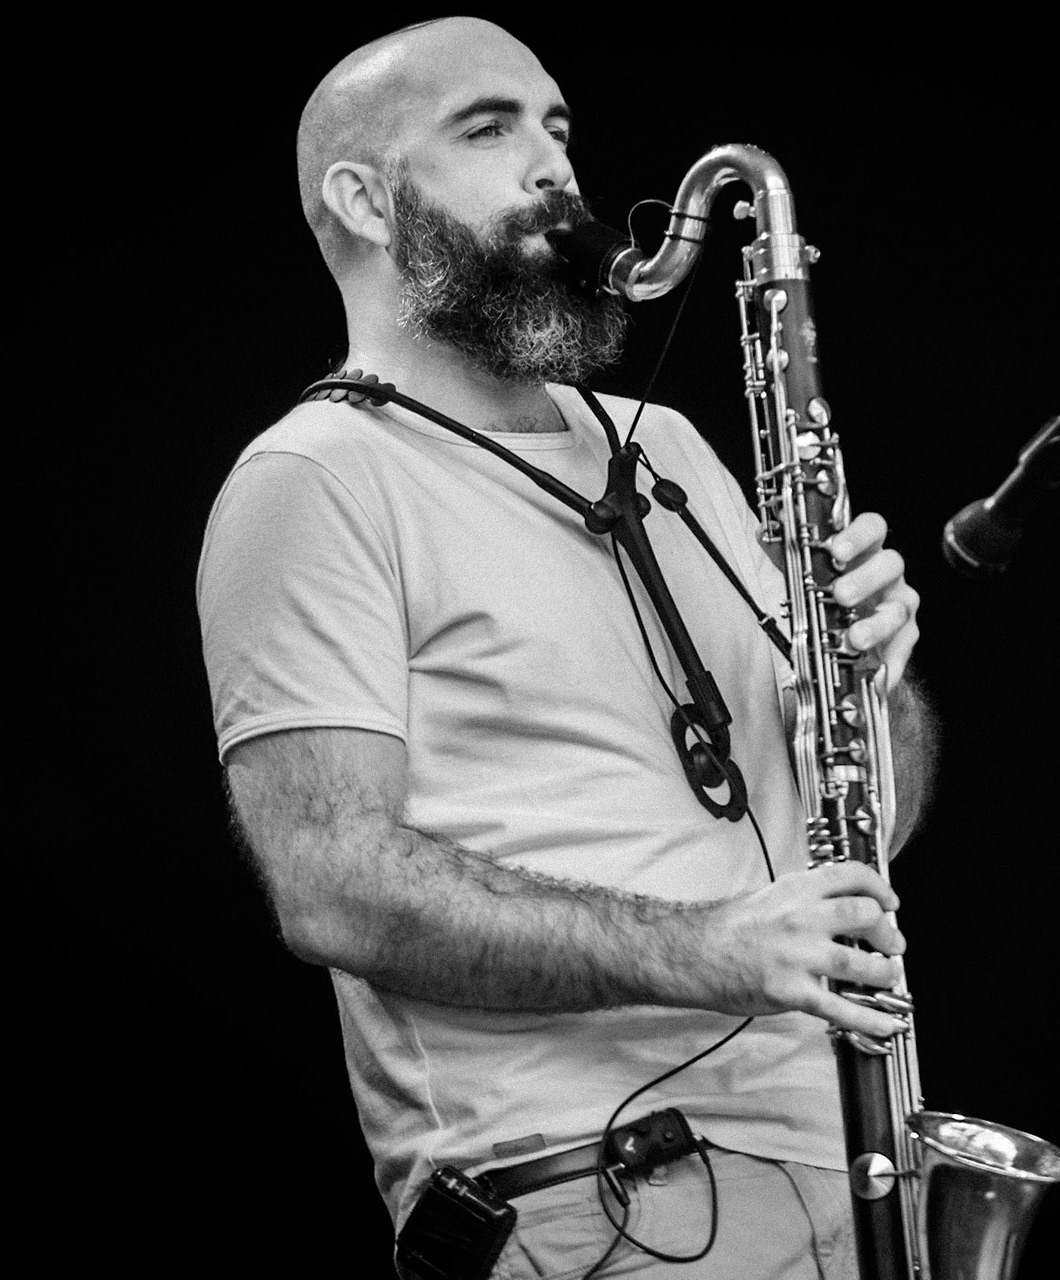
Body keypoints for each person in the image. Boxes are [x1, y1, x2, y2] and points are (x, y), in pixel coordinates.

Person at [196, 16, 932, 1278]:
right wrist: (707, 951)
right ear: (364, 201)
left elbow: (860, 823)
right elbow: (331, 880)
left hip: (857, 1162)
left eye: (557, 128)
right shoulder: (316, 477)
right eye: (487, 129)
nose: (554, 167)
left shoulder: (675, 445)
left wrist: (875, 689)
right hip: (606, 1193)